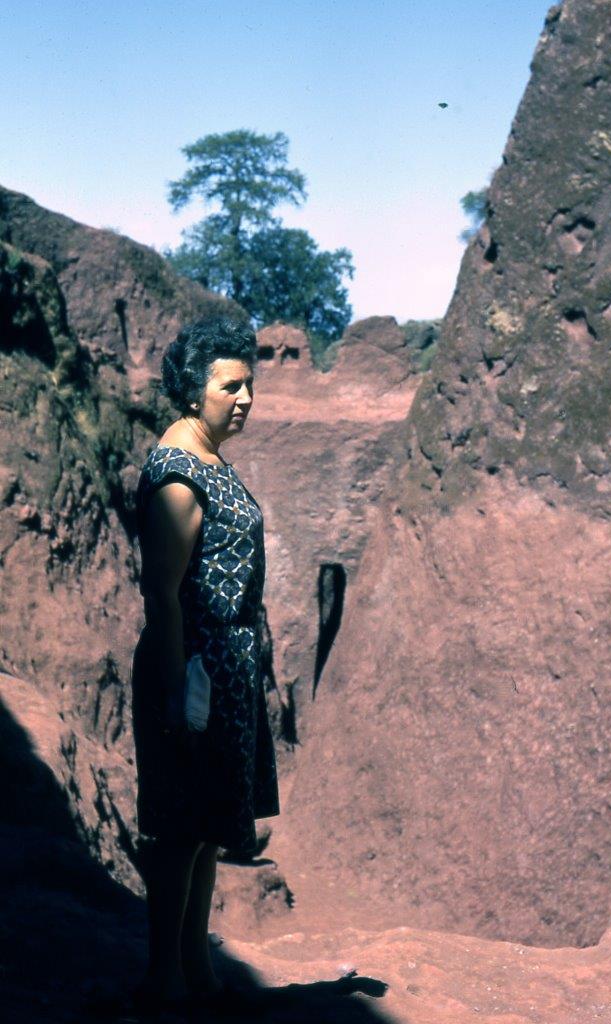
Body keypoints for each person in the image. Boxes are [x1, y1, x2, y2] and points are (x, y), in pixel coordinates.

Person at [130, 315, 279, 1011]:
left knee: (207, 830)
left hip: (225, 671)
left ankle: (199, 974)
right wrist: (173, 693)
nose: (245, 398)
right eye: (230, 386)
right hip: (193, 672)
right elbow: (162, 592)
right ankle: (163, 980)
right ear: (194, 391)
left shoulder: (210, 457)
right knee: (179, 830)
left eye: (249, 385)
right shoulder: (178, 473)